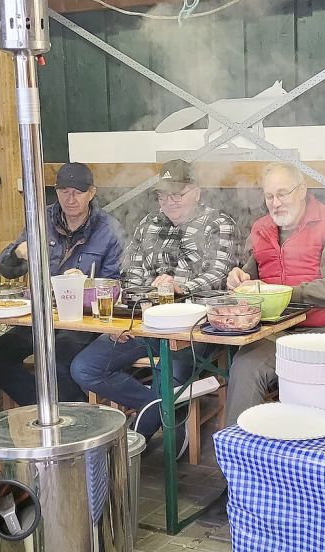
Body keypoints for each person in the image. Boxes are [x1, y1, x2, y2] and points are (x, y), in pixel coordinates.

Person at [70, 159, 240, 444]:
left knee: (169, 373)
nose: (170, 202)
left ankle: (131, 447)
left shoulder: (219, 225)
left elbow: (219, 277)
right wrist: (129, 317)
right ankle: (171, 412)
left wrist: (179, 286)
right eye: (163, 195)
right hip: (144, 322)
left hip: (194, 329)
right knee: (85, 368)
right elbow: (131, 276)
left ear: (196, 191)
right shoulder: (148, 224)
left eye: (178, 194)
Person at [223, 162, 325, 425]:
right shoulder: (261, 228)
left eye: (282, 193)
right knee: (245, 365)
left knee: (304, 378)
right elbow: (250, 277)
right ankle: (238, 456)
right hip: (277, 332)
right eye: (269, 196)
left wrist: (283, 293)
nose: (275, 203)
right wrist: (238, 278)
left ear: (302, 190)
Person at [0, 162, 124, 406]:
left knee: (57, 358)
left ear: (92, 193)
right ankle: (43, 409)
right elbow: (4, 268)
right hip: (41, 316)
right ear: (56, 192)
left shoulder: (108, 230)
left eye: (78, 192)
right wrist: (18, 254)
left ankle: (77, 420)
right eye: (64, 191)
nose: (71, 198)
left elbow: (115, 285)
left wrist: (86, 285)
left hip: (82, 323)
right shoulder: (40, 220)